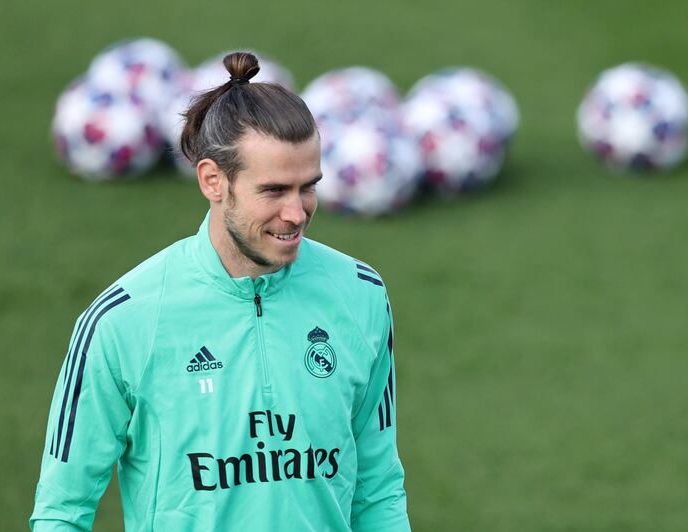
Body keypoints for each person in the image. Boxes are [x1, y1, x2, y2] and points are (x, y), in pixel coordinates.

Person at [30, 52, 410, 532]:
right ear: (213, 180)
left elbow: (378, 489)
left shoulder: (361, 295)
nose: (297, 213)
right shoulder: (124, 320)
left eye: (308, 187)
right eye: (274, 191)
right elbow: (62, 512)